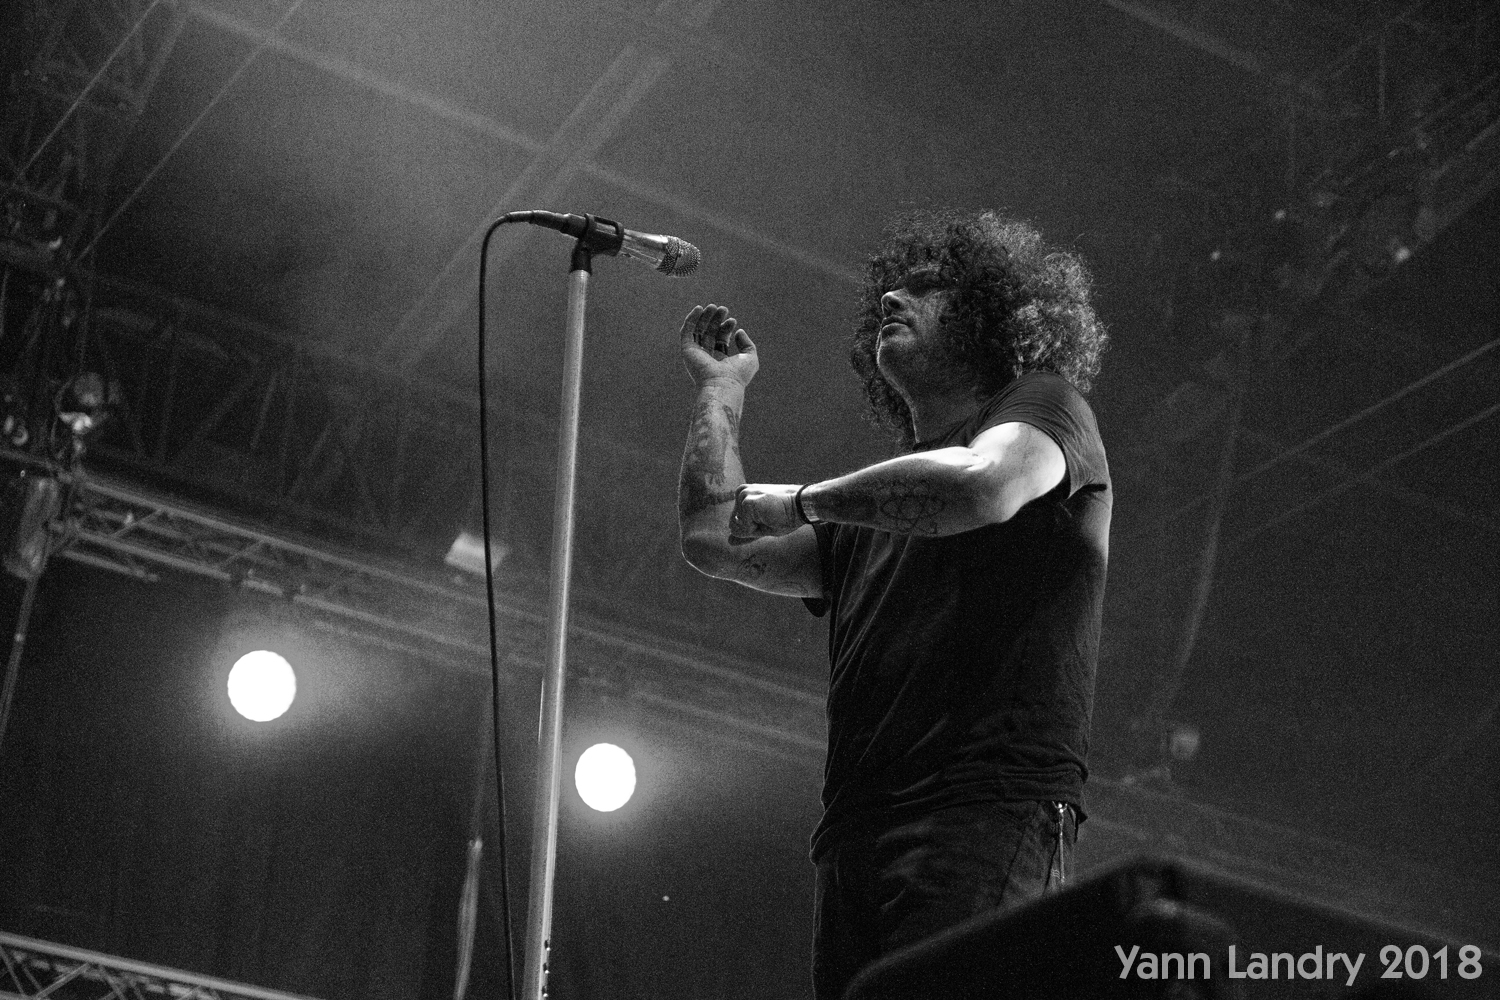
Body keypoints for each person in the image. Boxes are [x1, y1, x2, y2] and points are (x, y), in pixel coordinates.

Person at [676, 209, 1110, 1000]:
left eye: (927, 287)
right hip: (855, 836)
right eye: (891, 288)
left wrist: (806, 500)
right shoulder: (865, 508)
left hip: (984, 813)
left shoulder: (1048, 408)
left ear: (990, 316)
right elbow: (714, 538)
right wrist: (721, 390)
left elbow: (985, 485)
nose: (893, 299)